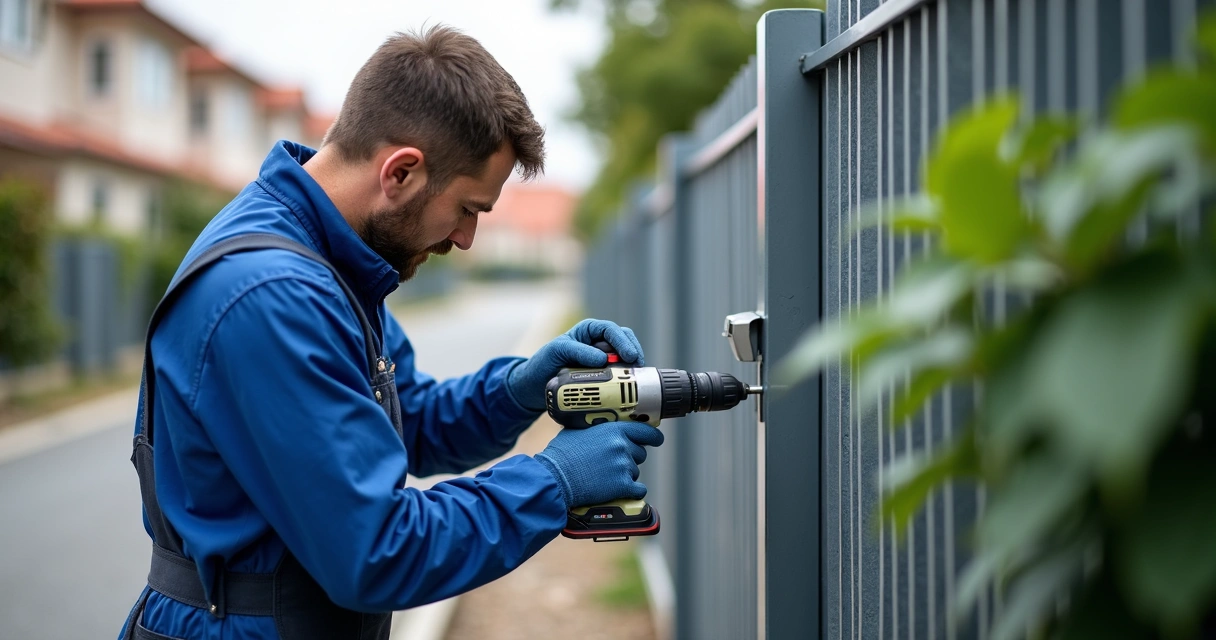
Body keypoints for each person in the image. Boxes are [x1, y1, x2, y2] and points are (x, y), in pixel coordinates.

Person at [118, 25, 663, 640]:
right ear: (401, 172)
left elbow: (406, 424)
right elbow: (375, 548)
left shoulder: (332, 262)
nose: (466, 240)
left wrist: (519, 389)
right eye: (468, 209)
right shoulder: (275, 295)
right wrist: (552, 482)